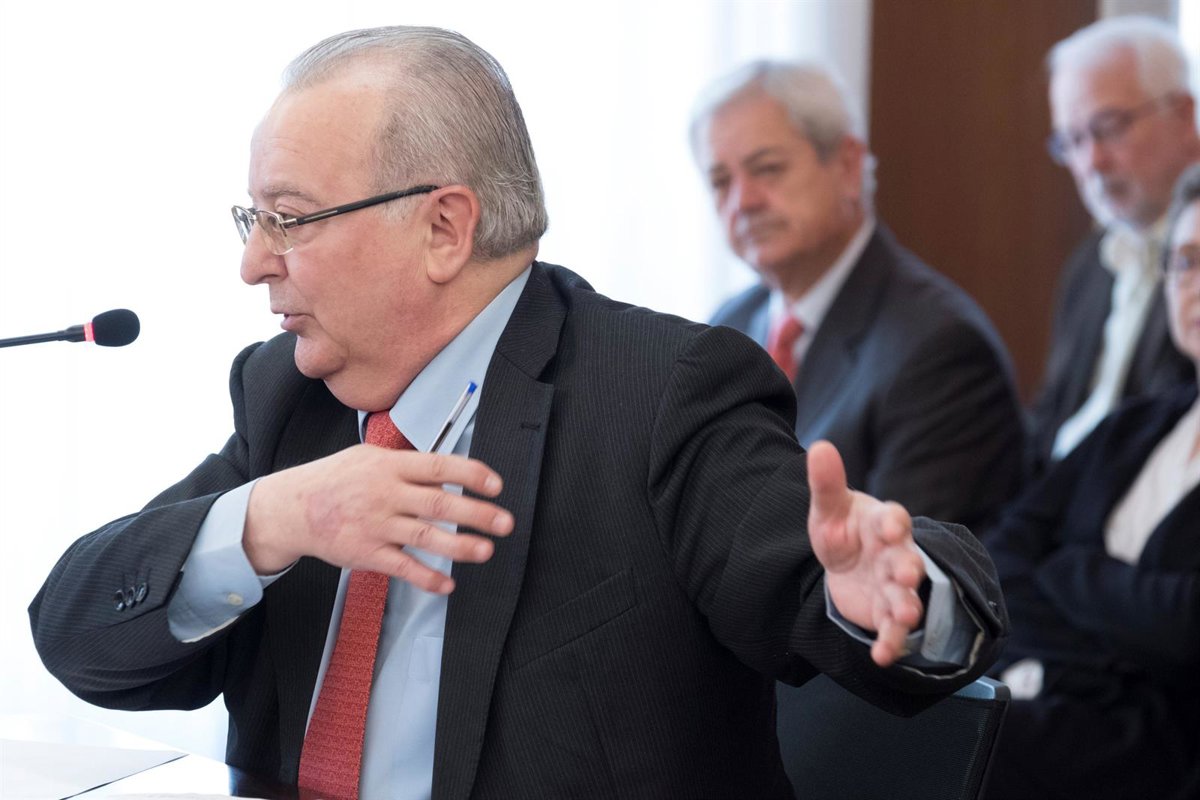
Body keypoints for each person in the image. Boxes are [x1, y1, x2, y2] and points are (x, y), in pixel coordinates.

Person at [28, 27, 1006, 800]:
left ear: (443, 227)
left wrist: (896, 591)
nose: (253, 263)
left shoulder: (660, 391)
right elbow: (76, 634)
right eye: (254, 220)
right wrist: (272, 518)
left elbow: (821, 582)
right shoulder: (287, 397)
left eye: (289, 217)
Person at [694, 60, 1024, 532]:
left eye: (767, 169)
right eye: (721, 181)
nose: (742, 202)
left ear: (848, 166)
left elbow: (903, 559)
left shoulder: (940, 349)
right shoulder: (729, 324)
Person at [984, 162, 1200, 800]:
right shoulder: (1138, 423)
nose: (1195, 284)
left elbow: (1187, 626)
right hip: (1058, 703)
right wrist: (1118, 623)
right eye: (1185, 261)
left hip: (1163, 752)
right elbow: (1003, 554)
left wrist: (1069, 566)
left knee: (931, 743)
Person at [1029, 16, 1199, 474]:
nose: (1091, 162)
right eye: (1072, 140)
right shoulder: (1089, 264)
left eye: (1109, 127)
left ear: (1184, 114)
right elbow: (1046, 429)